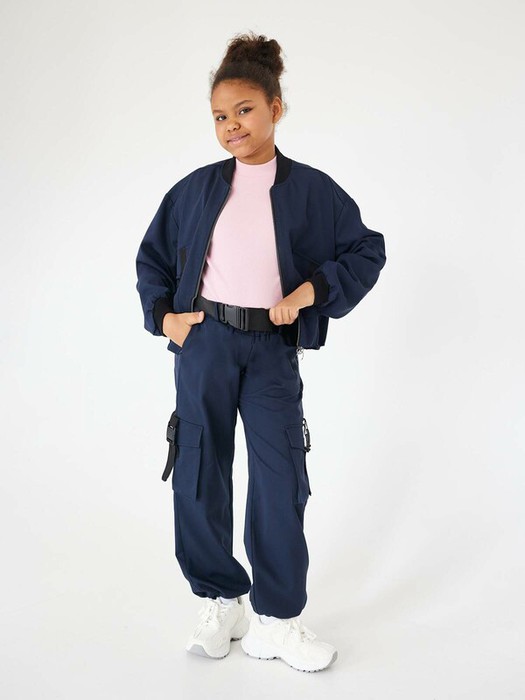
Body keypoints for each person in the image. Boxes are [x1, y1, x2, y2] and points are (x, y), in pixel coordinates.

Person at [135, 30, 386, 673]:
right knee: (198, 471)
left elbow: (367, 249)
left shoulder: (313, 191)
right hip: (205, 343)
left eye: (244, 110)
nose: (232, 126)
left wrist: (309, 292)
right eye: (220, 116)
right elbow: (153, 259)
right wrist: (166, 319)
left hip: (272, 350)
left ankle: (277, 620)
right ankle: (222, 600)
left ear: (276, 107)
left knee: (280, 479)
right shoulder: (194, 190)